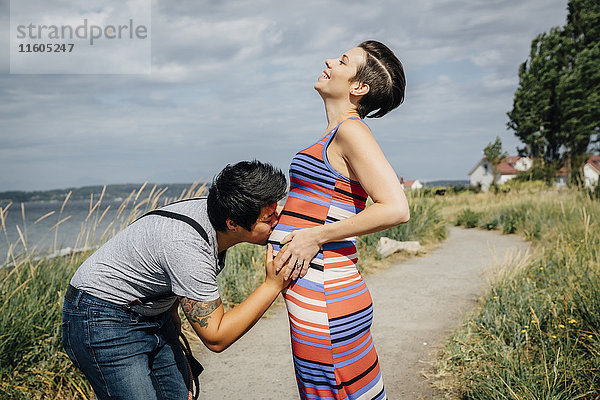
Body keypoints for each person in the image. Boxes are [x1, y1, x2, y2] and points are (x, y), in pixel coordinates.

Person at [62, 160, 289, 400]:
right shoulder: (187, 245)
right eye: (268, 219)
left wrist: (171, 315)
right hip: (101, 316)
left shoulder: (217, 212)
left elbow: (164, 270)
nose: (277, 222)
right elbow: (217, 337)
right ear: (232, 223)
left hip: (150, 312)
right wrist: (271, 285)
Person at [269, 40, 410, 400]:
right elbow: (320, 205)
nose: (329, 60)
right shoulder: (335, 134)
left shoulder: (351, 130)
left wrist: (314, 237)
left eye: (343, 60)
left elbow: (395, 207)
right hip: (316, 293)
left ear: (358, 87)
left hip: (328, 294)